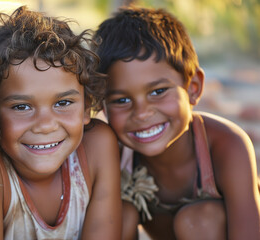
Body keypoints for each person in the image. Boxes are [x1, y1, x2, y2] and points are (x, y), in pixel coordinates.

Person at [93, 6, 260, 240]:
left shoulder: (226, 146)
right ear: (103, 107)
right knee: (119, 213)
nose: (141, 113)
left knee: (198, 220)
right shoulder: (114, 154)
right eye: (121, 100)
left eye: (158, 91)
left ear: (193, 88)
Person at [0, 6, 121, 240]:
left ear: (87, 106)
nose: (45, 125)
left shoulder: (97, 146)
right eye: (21, 107)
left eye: (63, 103)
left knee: (127, 216)